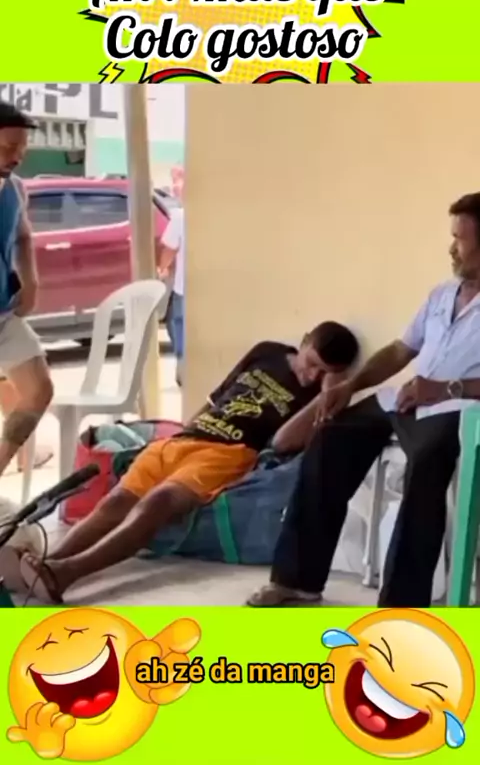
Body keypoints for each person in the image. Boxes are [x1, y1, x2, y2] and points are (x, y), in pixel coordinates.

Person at [247, 192, 480, 610]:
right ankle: (296, 581)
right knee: (330, 435)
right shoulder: (441, 294)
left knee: (427, 463)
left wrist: (447, 389)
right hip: (405, 399)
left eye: (460, 239)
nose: (451, 248)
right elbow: (400, 351)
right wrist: (349, 386)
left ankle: (402, 605)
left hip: (459, 410)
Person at [19, 321, 359, 602]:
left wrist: (328, 392)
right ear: (303, 342)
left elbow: (282, 441)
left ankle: (66, 573)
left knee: (156, 505)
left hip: (226, 453)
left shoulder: (317, 394)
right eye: (311, 363)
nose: (313, 375)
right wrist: (184, 431)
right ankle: (45, 564)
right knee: (115, 502)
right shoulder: (267, 351)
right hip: (184, 441)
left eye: (324, 372)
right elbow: (217, 396)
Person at [0, 102, 54, 480]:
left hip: (4, 313)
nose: (17, 157)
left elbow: (22, 236)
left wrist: (31, 282)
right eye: (8, 148)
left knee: (38, 390)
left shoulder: (16, 188)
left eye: (22, 148)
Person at [159, 206, 185, 387]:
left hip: (184, 287)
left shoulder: (181, 216)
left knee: (178, 324)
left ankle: (183, 365)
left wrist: (163, 269)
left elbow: (170, 248)